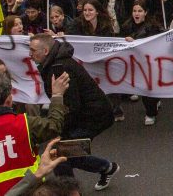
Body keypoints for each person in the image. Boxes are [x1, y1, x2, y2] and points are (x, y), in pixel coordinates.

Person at [29, 33, 120, 191]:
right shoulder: (54, 63)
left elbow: (71, 105)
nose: (30, 54)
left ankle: (71, 191)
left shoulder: (59, 69)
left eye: (33, 50)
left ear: (45, 51)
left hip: (93, 116)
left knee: (61, 153)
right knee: (67, 153)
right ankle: (105, 168)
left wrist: (58, 128)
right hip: (88, 114)